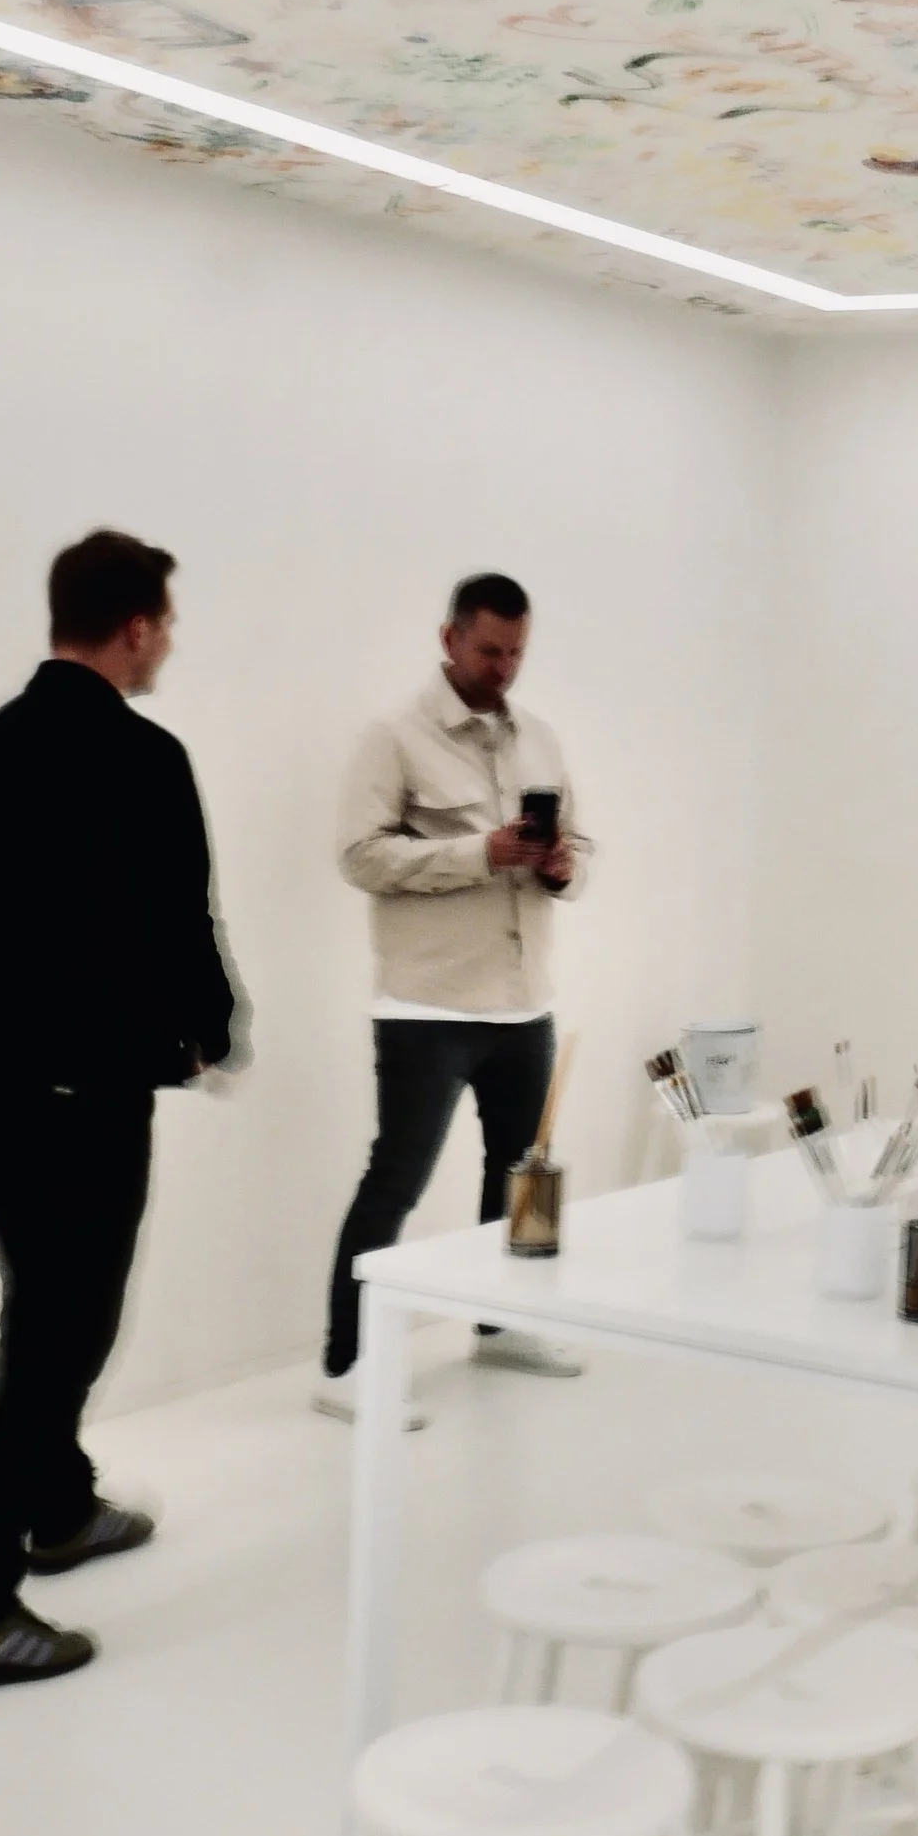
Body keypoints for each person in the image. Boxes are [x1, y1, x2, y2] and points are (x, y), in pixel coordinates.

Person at [0, 531, 243, 1691]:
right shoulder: (142, 757)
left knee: (44, 1302)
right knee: (64, 1331)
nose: (168, 648)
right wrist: (212, 1027)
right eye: (166, 627)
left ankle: (56, 1507)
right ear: (136, 628)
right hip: (76, 1092)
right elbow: (176, 919)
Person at [317, 572, 588, 1407]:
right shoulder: (394, 737)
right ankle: (347, 1366)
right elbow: (359, 856)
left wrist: (560, 865)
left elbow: (579, 849)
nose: (503, 667)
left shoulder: (540, 738)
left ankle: (504, 1326)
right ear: (449, 638)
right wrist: (481, 853)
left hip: (523, 1000)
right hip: (426, 1006)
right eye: (489, 650)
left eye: (516, 652)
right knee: (395, 1181)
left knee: (521, 1179)